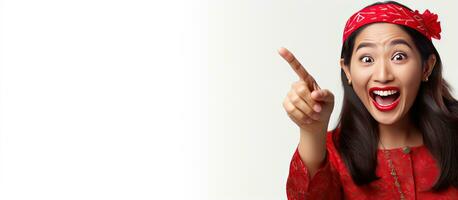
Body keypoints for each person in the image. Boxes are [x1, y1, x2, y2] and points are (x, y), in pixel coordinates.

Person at [279, 1, 458, 199]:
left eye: (399, 57)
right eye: (367, 59)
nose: (382, 75)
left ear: (426, 67)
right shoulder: (332, 153)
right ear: (347, 70)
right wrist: (311, 130)